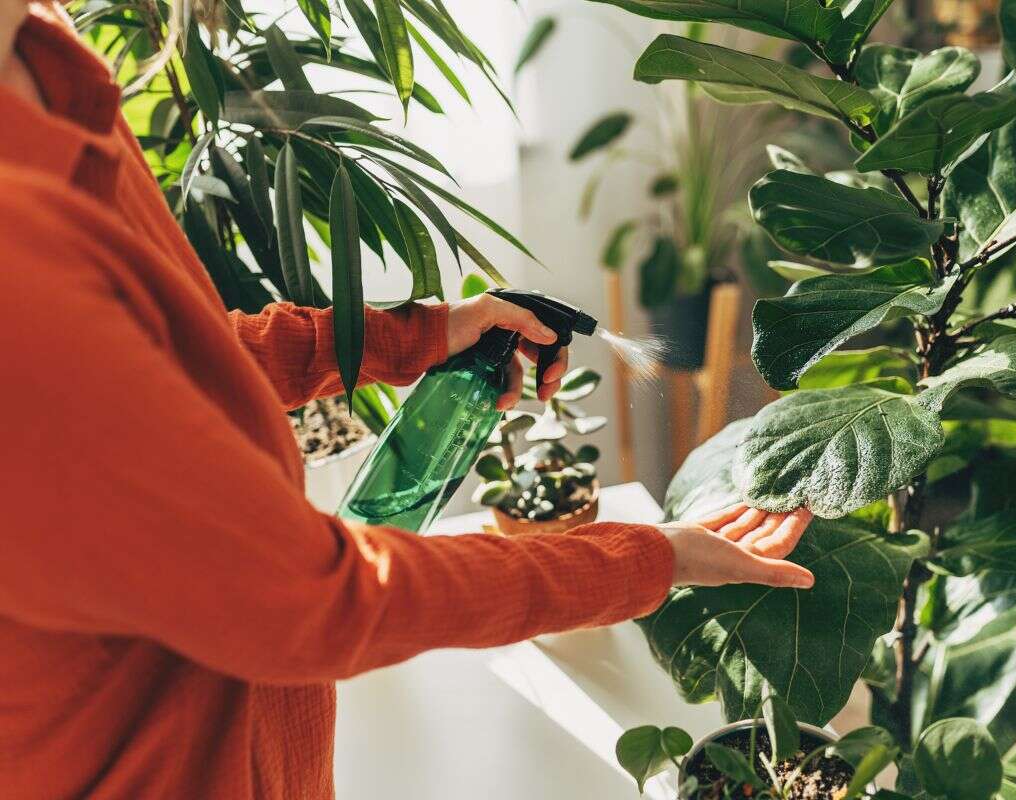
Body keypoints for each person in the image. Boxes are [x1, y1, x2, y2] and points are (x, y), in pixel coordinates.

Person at [0, 4, 816, 799]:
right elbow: (321, 599)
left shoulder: (45, 61)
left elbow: (172, 357)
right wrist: (648, 558)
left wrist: (421, 335)